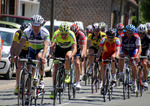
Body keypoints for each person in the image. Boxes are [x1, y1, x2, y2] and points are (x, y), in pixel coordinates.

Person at [15, 15, 50, 90]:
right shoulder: (27, 31)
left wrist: (43, 57)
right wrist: (17, 55)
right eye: (34, 26)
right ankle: (29, 92)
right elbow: (21, 44)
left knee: (39, 57)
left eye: (38, 26)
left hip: (41, 49)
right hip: (32, 49)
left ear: (41, 25)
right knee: (29, 70)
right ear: (31, 25)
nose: (36, 28)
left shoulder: (45, 32)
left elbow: (45, 46)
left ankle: (41, 79)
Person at [49, 23, 77, 99]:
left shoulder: (71, 34)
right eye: (62, 34)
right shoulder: (56, 33)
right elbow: (52, 45)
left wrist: (71, 56)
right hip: (59, 50)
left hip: (68, 50)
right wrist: (50, 54)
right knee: (55, 67)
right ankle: (54, 88)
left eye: (65, 34)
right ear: (60, 32)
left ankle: (67, 73)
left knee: (67, 56)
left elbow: (74, 48)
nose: (64, 36)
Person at [119, 24, 142, 93]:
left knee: (134, 65)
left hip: (132, 51)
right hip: (124, 50)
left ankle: (134, 82)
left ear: (133, 32)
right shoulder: (122, 36)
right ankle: (121, 73)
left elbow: (139, 48)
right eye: (128, 32)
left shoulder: (136, 37)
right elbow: (118, 45)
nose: (129, 34)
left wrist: (137, 56)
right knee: (121, 58)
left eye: (131, 33)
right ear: (125, 32)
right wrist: (119, 54)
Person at [10, 23, 30, 95]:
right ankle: (18, 84)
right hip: (21, 50)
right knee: (18, 65)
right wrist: (12, 56)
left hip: (29, 49)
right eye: (22, 31)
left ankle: (28, 86)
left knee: (29, 66)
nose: (23, 33)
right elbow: (14, 45)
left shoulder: (30, 34)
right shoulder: (17, 33)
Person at [70, 24, 86, 89]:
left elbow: (83, 47)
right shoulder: (68, 34)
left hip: (78, 49)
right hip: (70, 49)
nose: (74, 35)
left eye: (75, 34)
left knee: (77, 63)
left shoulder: (81, 35)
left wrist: (82, 55)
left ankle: (77, 82)